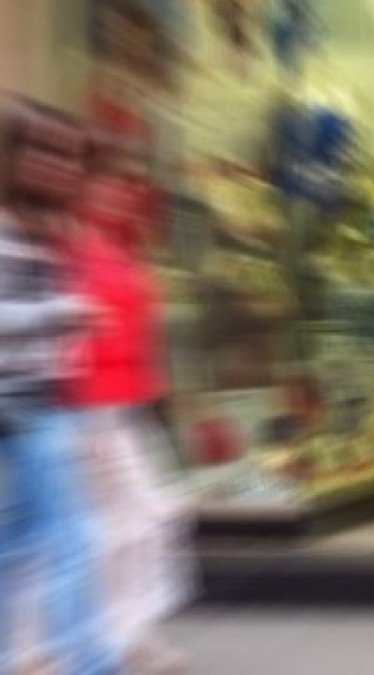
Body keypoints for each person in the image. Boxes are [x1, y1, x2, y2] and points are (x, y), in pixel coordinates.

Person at [65, 126, 192, 673]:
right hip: (83, 407)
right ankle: (101, 636)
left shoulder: (119, 246)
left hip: (124, 405)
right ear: (82, 182)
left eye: (127, 182)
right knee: (109, 525)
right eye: (109, 181)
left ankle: (124, 630)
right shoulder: (66, 247)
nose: (122, 192)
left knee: (143, 519)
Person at [0, 97, 118, 675]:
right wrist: (64, 313)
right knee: (73, 536)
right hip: (20, 405)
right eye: (43, 151)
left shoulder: (39, 231)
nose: (61, 166)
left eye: (71, 156)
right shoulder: (6, 231)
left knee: (17, 540)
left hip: (37, 401)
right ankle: (90, 662)